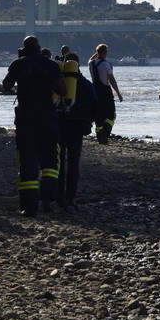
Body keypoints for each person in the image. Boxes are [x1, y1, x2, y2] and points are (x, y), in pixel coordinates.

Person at [1, 36, 67, 217]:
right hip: (47, 118)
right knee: (50, 162)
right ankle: (48, 200)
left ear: (24, 49)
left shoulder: (18, 64)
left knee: (28, 160)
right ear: (39, 48)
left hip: (26, 120)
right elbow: (63, 91)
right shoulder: (51, 66)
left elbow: (6, 86)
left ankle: (29, 207)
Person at [55, 52, 98, 212]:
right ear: (79, 65)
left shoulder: (58, 82)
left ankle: (58, 198)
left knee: (58, 163)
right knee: (73, 164)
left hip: (59, 126)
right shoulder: (86, 83)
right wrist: (90, 120)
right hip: (77, 127)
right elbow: (95, 105)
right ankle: (70, 198)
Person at [88, 43, 123, 145]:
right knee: (111, 115)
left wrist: (97, 52)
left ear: (97, 52)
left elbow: (90, 59)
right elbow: (112, 80)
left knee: (99, 116)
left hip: (95, 92)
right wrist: (118, 93)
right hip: (105, 93)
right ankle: (106, 131)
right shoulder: (106, 65)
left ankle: (100, 137)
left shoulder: (91, 64)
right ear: (105, 52)